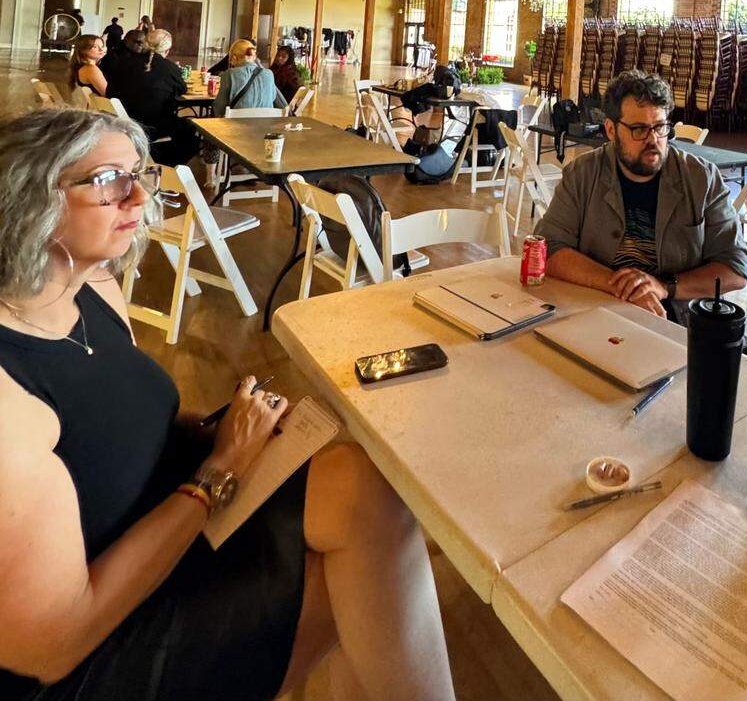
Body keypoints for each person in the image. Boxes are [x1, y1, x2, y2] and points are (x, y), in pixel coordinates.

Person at [0, 108, 456, 700]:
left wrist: (227, 429)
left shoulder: (88, 286)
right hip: (91, 647)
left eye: (139, 174)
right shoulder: (11, 396)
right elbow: (53, 646)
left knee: (364, 491)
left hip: (154, 516)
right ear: (28, 199)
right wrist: (220, 470)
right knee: (356, 587)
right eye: (109, 179)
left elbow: (109, 425)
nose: (138, 196)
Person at [534, 69, 747, 323]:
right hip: (597, 314)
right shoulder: (583, 174)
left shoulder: (701, 179)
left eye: (660, 127)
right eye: (638, 129)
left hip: (679, 324)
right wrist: (619, 286)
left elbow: (735, 269)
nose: (653, 140)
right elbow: (547, 248)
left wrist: (664, 286)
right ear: (611, 130)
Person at [105, 29, 195, 166]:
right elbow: (182, 90)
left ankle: (148, 155)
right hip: (151, 124)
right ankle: (162, 163)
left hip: (121, 119)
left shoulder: (122, 63)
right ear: (168, 50)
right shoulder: (170, 69)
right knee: (190, 130)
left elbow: (110, 91)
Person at [214, 39, 287, 115]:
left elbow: (220, 108)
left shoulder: (229, 74)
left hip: (237, 125)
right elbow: (272, 98)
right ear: (254, 57)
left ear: (234, 58)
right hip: (266, 124)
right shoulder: (269, 74)